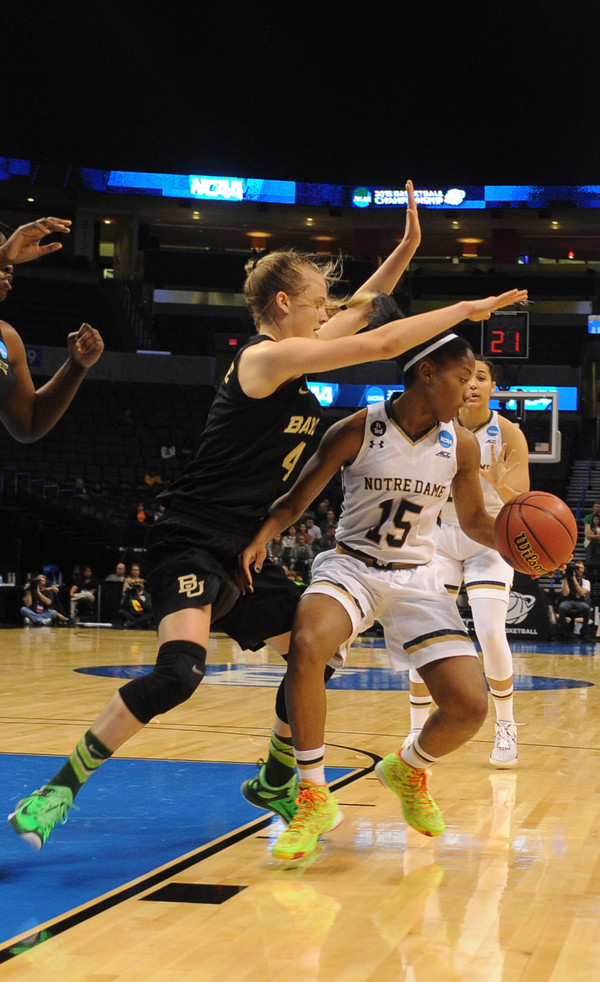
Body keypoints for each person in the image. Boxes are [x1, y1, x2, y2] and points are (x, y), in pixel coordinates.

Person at [8, 182, 528, 850]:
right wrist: (469, 309)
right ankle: (57, 790)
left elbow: (363, 311)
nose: (326, 312)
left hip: (242, 546)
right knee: (179, 673)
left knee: (317, 651)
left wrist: (404, 251)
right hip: (191, 538)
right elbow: (377, 342)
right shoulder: (262, 358)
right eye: (316, 302)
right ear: (282, 303)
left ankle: (277, 777)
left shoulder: (293, 361)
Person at [237, 331, 516, 860]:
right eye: (462, 378)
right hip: (353, 566)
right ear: (427, 373)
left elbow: (476, 521)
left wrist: (520, 546)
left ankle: (408, 769)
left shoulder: (462, 444)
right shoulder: (357, 429)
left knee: (469, 706)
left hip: (419, 578)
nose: (469, 390)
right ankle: (312, 795)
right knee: (307, 645)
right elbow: (296, 500)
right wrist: (261, 537)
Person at [405, 357, 530, 770]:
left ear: (493, 387)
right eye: (467, 377)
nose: (473, 384)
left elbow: (524, 503)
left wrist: (499, 483)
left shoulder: (508, 432)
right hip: (440, 536)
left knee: (491, 632)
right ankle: (416, 729)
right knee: (424, 632)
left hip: (488, 539)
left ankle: (506, 726)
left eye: (481, 378)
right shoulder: (436, 428)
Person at [0, 218, 104, 442]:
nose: (9, 264)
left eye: (9, 257)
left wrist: (77, 366)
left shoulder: (7, 338)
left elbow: (29, 424)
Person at [556, 560, 591, 638]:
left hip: (580, 602)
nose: (578, 569)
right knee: (562, 607)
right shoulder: (567, 580)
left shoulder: (586, 582)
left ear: (583, 570)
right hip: (568, 601)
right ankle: (563, 631)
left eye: (580, 567)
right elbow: (565, 594)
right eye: (576, 567)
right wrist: (566, 578)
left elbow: (581, 593)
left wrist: (574, 578)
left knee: (587, 608)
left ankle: (584, 632)